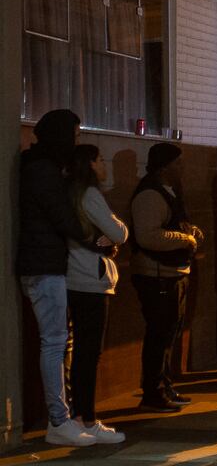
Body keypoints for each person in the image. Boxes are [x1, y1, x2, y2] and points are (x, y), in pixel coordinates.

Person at [17, 110, 95, 446]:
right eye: (75, 134)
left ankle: (63, 418)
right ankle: (59, 420)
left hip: (43, 263)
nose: (77, 140)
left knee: (59, 341)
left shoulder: (37, 166)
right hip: (44, 266)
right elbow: (62, 217)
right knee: (54, 342)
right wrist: (94, 240)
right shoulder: (44, 171)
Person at [130, 142, 201, 413]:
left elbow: (172, 223)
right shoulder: (150, 195)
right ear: (164, 166)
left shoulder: (169, 192)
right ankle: (153, 392)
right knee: (159, 334)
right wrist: (185, 239)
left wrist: (189, 231)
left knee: (168, 333)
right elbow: (148, 235)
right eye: (178, 163)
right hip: (156, 274)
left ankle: (164, 385)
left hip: (172, 272)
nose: (182, 168)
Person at [65, 144, 128, 444]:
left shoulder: (70, 193)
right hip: (91, 279)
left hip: (75, 277)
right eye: (101, 160)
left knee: (79, 351)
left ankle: (80, 415)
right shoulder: (89, 195)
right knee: (89, 352)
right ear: (91, 164)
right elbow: (120, 233)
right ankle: (86, 417)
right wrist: (110, 235)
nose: (104, 165)